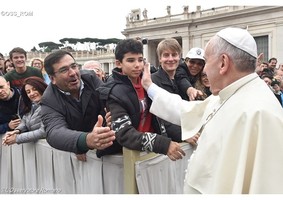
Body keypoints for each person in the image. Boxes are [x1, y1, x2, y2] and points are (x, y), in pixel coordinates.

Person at [142, 27, 283, 193]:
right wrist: (149, 86)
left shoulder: (261, 114)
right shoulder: (231, 93)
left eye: (206, 62)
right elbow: (185, 109)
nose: (205, 70)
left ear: (223, 63)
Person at [96, 38, 185, 161]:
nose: (137, 65)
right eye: (131, 60)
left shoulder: (149, 82)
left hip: (152, 154)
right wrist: (163, 144)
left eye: (140, 60)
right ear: (118, 63)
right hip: (129, 157)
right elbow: (125, 134)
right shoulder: (114, 92)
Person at [40, 50, 115, 161]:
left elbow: (109, 101)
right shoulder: (49, 100)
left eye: (74, 66)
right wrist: (86, 141)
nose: (73, 73)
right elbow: (54, 132)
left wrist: (113, 115)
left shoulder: (91, 78)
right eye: (64, 70)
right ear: (52, 79)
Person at [2, 77, 47, 145]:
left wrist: (17, 138)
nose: (31, 93)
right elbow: (25, 120)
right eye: (28, 92)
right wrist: (17, 131)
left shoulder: (50, 105)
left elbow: (44, 131)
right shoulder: (32, 106)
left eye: (34, 89)